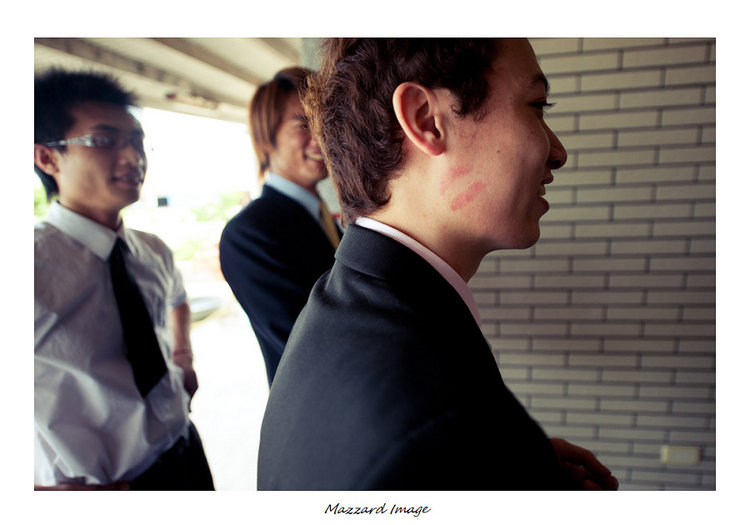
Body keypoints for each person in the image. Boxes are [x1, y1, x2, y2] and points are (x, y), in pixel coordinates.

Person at [257, 38, 619, 490]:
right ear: (426, 119)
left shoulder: (339, 307)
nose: (558, 152)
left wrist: (506, 463)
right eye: (536, 106)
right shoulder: (436, 426)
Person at [34, 69, 213, 490]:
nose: (133, 157)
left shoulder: (151, 250)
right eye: (105, 141)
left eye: (136, 140)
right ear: (47, 158)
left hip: (184, 450)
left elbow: (178, 299)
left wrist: (183, 358)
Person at [219, 67, 341, 385]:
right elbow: (305, 344)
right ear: (266, 136)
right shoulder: (247, 234)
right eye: (304, 124)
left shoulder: (327, 218)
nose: (321, 137)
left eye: (325, 122)